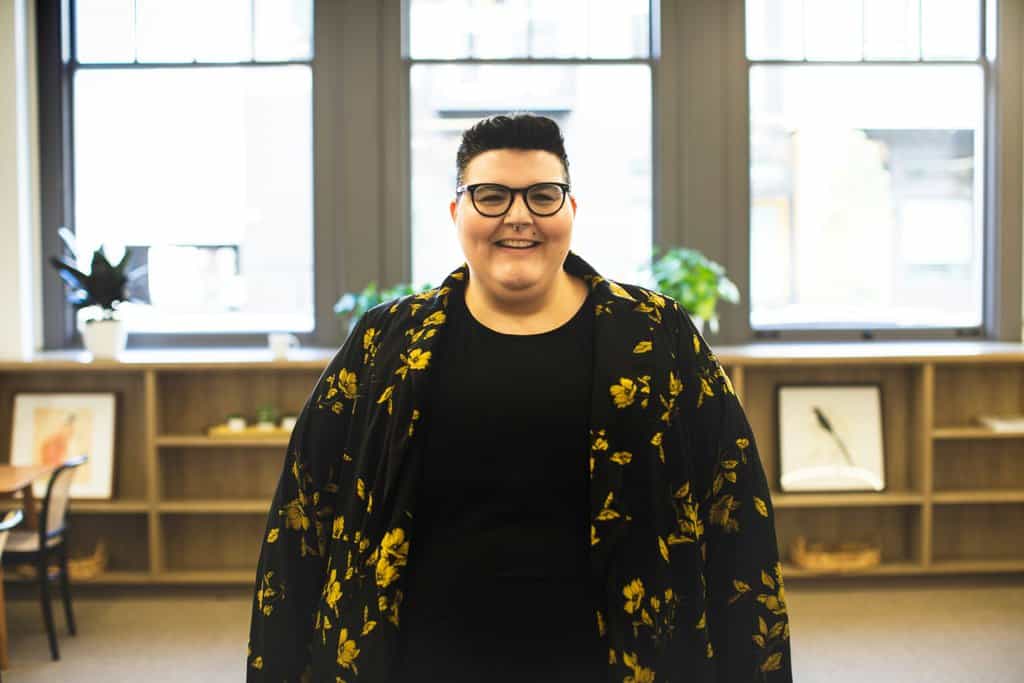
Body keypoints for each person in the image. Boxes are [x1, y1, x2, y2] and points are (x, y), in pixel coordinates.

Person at [247, 113, 792, 682]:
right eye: (491, 196)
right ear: (457, 212)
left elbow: (736, 514)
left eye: (542, 196)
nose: (518, 217)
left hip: (617, 660)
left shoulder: (655, 334)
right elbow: (302, 518)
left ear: (571, 212)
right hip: (421, 657)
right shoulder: (388, 341)